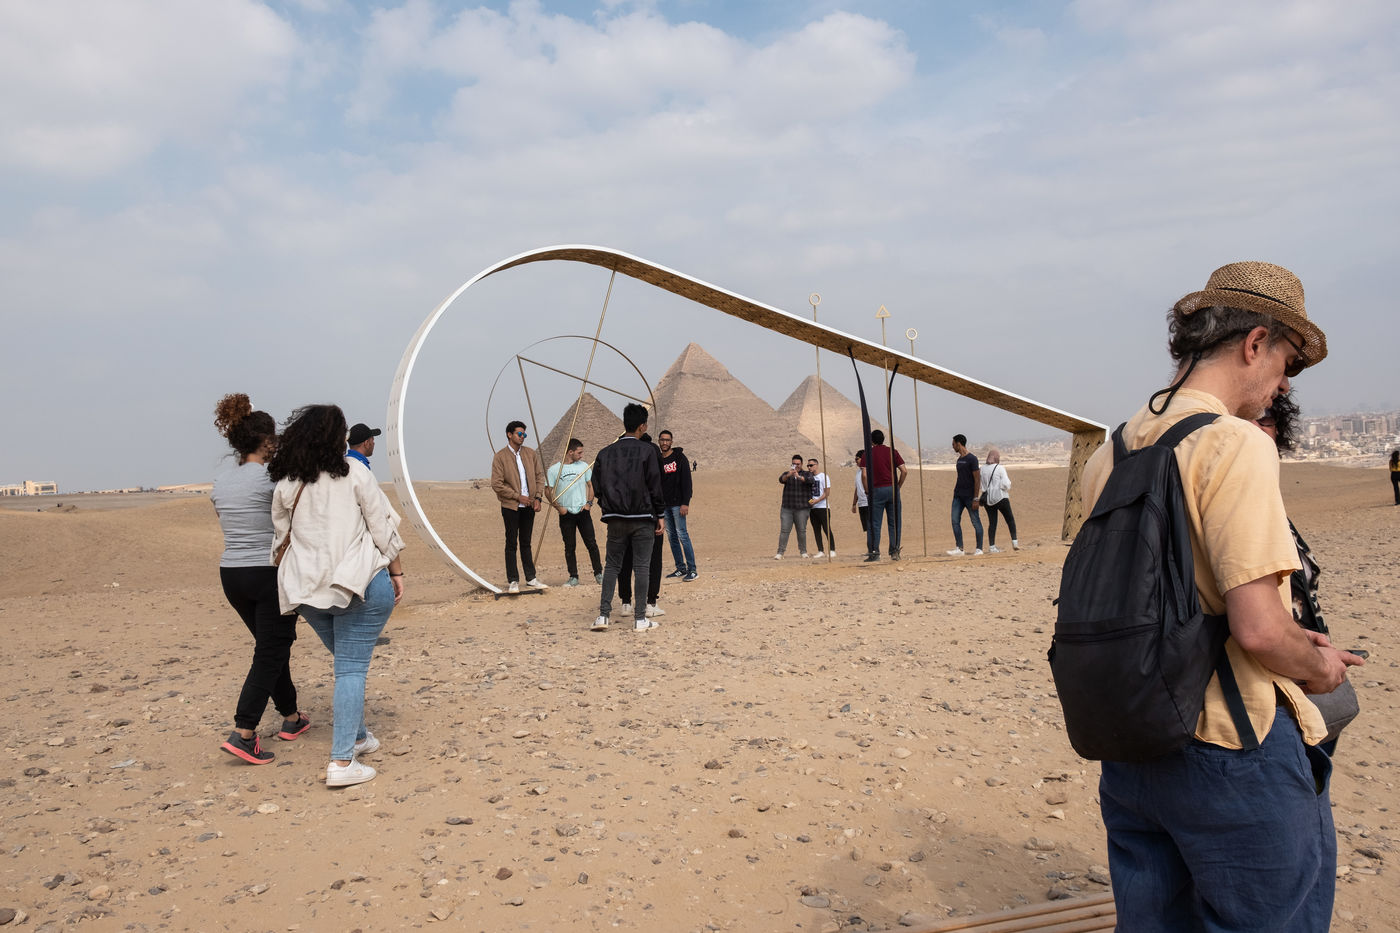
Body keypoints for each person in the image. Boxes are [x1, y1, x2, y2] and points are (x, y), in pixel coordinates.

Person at [1081, 260, 1363, 929]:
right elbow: (1259, 628)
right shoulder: (1234, 444)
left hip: (1129, 742)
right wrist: (1318, 665)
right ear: (1255, 342)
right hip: (1231, 749)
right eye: (1287, 362)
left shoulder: (1110, 451)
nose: (1284, 384)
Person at [270, 404, 406, 788]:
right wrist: (396, 572)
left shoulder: (287, 484)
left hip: (306, 590)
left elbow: (279, 539)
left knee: (347, 664)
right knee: (350, 669)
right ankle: (342, 761)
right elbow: (382, 529)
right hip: (356, 584)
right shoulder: (356, 474)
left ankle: (359, 736)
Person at [211, 394, 308, 765]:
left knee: (271, 648)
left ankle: (292, 717)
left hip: (232, 574)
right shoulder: (272, 478)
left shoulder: (222, 481)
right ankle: (244, 732)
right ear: (267, 441)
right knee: (271, 650)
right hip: (267, 573)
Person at [591, 404, 665, 632]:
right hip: (642, 517)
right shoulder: (648, 451)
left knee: (612, 565)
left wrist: (608, 506)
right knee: (642, 566)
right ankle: (640, 619)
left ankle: (603, 616)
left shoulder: (604, 453)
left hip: (615, 518)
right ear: (642, 426)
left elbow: (596, 486)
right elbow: (655, 485)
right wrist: (660, 514)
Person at [490, 420, 548, 593]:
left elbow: (539, 476)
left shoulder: (530, 453)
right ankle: (513, 580)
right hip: (511, 506)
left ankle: (531, 578)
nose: (523, 437)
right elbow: (497, 484)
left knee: (526, 542)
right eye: (519, 434)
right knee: (511, 543)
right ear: (510, 434)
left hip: (529, 506)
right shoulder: (500, 457)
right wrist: (517, 496)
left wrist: (538, 497)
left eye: (524, 434)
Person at [546, 438, 603, 587]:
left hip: (582, 512)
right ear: (570, 452)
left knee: (591, 544)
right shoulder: (554, 470)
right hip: (566, 513)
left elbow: (591, 485)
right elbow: (548, 491)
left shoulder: (584, 466)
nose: (582, 455)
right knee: (570, 546)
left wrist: (589, 504)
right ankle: (573, 577)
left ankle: (599, 574)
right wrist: (559, 508)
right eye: (579, 452)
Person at [658, 430, 698, 581]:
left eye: (667, 440)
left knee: (682, 535)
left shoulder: (680, 458)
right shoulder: (657, 459)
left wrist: (685, 503)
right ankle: (680, 568)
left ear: (672, 442)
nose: (665, 443)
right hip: (664, 505)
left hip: (678, 504)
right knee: (672, 537)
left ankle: (692, 569)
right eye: (662, 440)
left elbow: (687, 481)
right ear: (659, 441)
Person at [863, 430, 906, 561]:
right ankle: (894, 551)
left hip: (876, 490)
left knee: (875, 523)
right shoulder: (892, 451)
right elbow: (904, 471)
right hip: (892, 489)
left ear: (872, 441)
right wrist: (898, 486)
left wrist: (867, 491)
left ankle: (875, 552)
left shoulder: (867, 453)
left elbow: (864, 475)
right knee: (894, 522)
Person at [946, 434, 983, 556]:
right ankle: (959, 548)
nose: (952, 447)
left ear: (959, 443)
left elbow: (977, 479)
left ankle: (979, 549)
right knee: (954, 520)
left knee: (975, 521)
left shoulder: (972, 459)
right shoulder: (959, 460)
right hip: (958, 496)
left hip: (970, 496)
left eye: (953, 444)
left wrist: (976, 498)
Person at [774, 453, 814, 559]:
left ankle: (803, 551)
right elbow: (781, 479)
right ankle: (780, 552)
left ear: (802, 464)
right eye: (794, 464)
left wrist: (798, 477)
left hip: (802, 508)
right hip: (787, 508)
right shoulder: (787, 474)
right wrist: (789, 475)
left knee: (801, 531)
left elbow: (810, 480)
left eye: (798, 464)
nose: (796, 466)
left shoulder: (807, 474)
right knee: (784, 530)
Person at [979, 448, 1018, 553]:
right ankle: (1015, 542)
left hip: (987, 500)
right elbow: (1006, 484)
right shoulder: (1000, 468)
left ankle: (992, 547)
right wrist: (1000, 487)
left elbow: (980, 485)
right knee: (1010, 520)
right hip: (1001, 498)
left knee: (992, 523)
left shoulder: (982, 469)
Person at [807, 457, 835, 558]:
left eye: (811, 465)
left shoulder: (824, 476)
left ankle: (832, 550)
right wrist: (810, 502)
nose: (809, 467)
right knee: (816, 530)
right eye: (808, 465)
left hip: (823, 507)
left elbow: (827, 492)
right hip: (812, 508)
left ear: (816, 465)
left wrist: (817, 501)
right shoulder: (809, 478)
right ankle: (820, 550)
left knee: (826, 528)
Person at [851, 450, 870, 533]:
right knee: (866, 529)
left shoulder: (870, 471)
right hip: (861, 504)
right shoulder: (858, 472)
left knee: (872, 528)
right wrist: (854, 504)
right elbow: (857, 488)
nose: (856, 461)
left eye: (857, 459)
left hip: (869, 503)